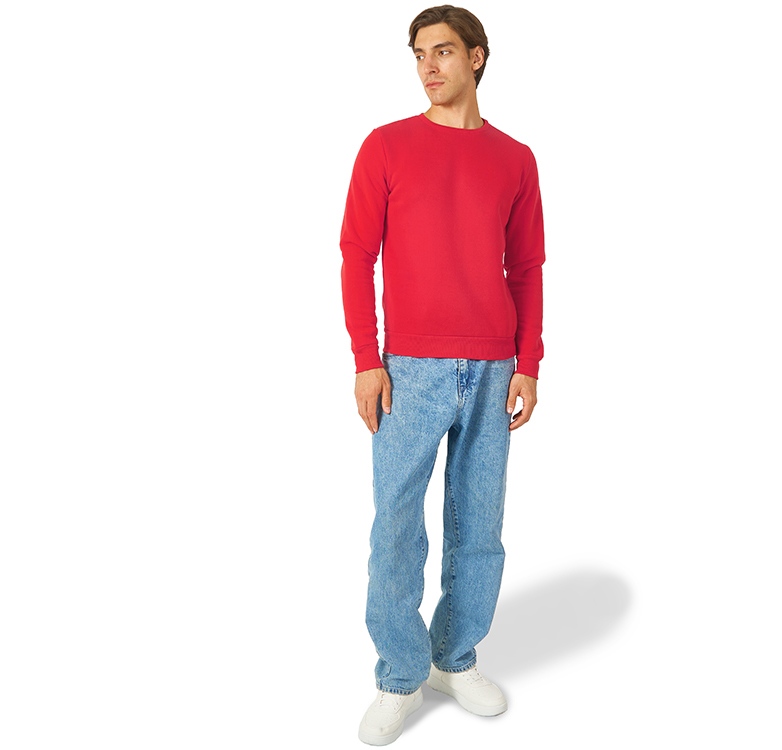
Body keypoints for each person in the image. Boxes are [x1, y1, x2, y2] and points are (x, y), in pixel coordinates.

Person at [338, 4, 545, 745]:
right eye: (420, 54)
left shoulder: (515, 158)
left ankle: (453, 658)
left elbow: (526, 267)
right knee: (396, 526)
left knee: (478, 525)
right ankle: (400, 674)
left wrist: (529, 361)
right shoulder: (386, 146)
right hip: (408, 368)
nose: (429, 66)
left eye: (444, 51)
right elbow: (356, 254)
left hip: (493, 364)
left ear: (477, 57)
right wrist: (367, 358)